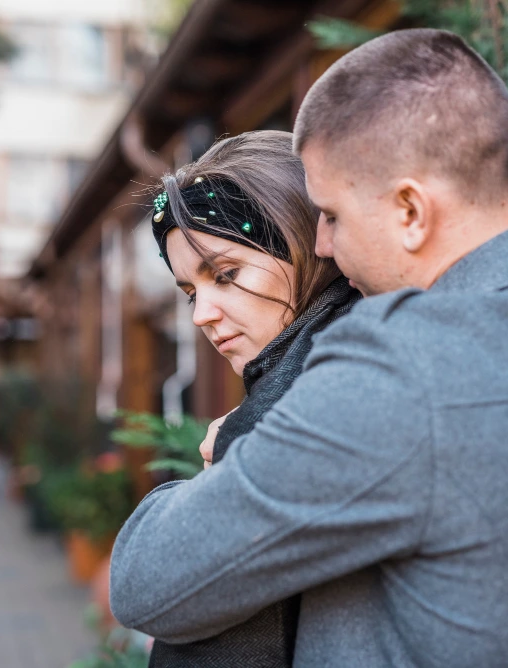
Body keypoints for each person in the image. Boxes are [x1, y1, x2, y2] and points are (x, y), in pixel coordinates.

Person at [110, 29, 508, 667]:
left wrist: (213, 476)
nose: (322, 244)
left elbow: (147, 584)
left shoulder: (405, 374)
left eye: (330, 214)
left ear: (410, 209)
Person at [143, 130, 360, 666]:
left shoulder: (306, 396)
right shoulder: (321, 362)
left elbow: (166, 594)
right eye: (192, 291)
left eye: (225, 274)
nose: (202, 316)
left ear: (302, 241)